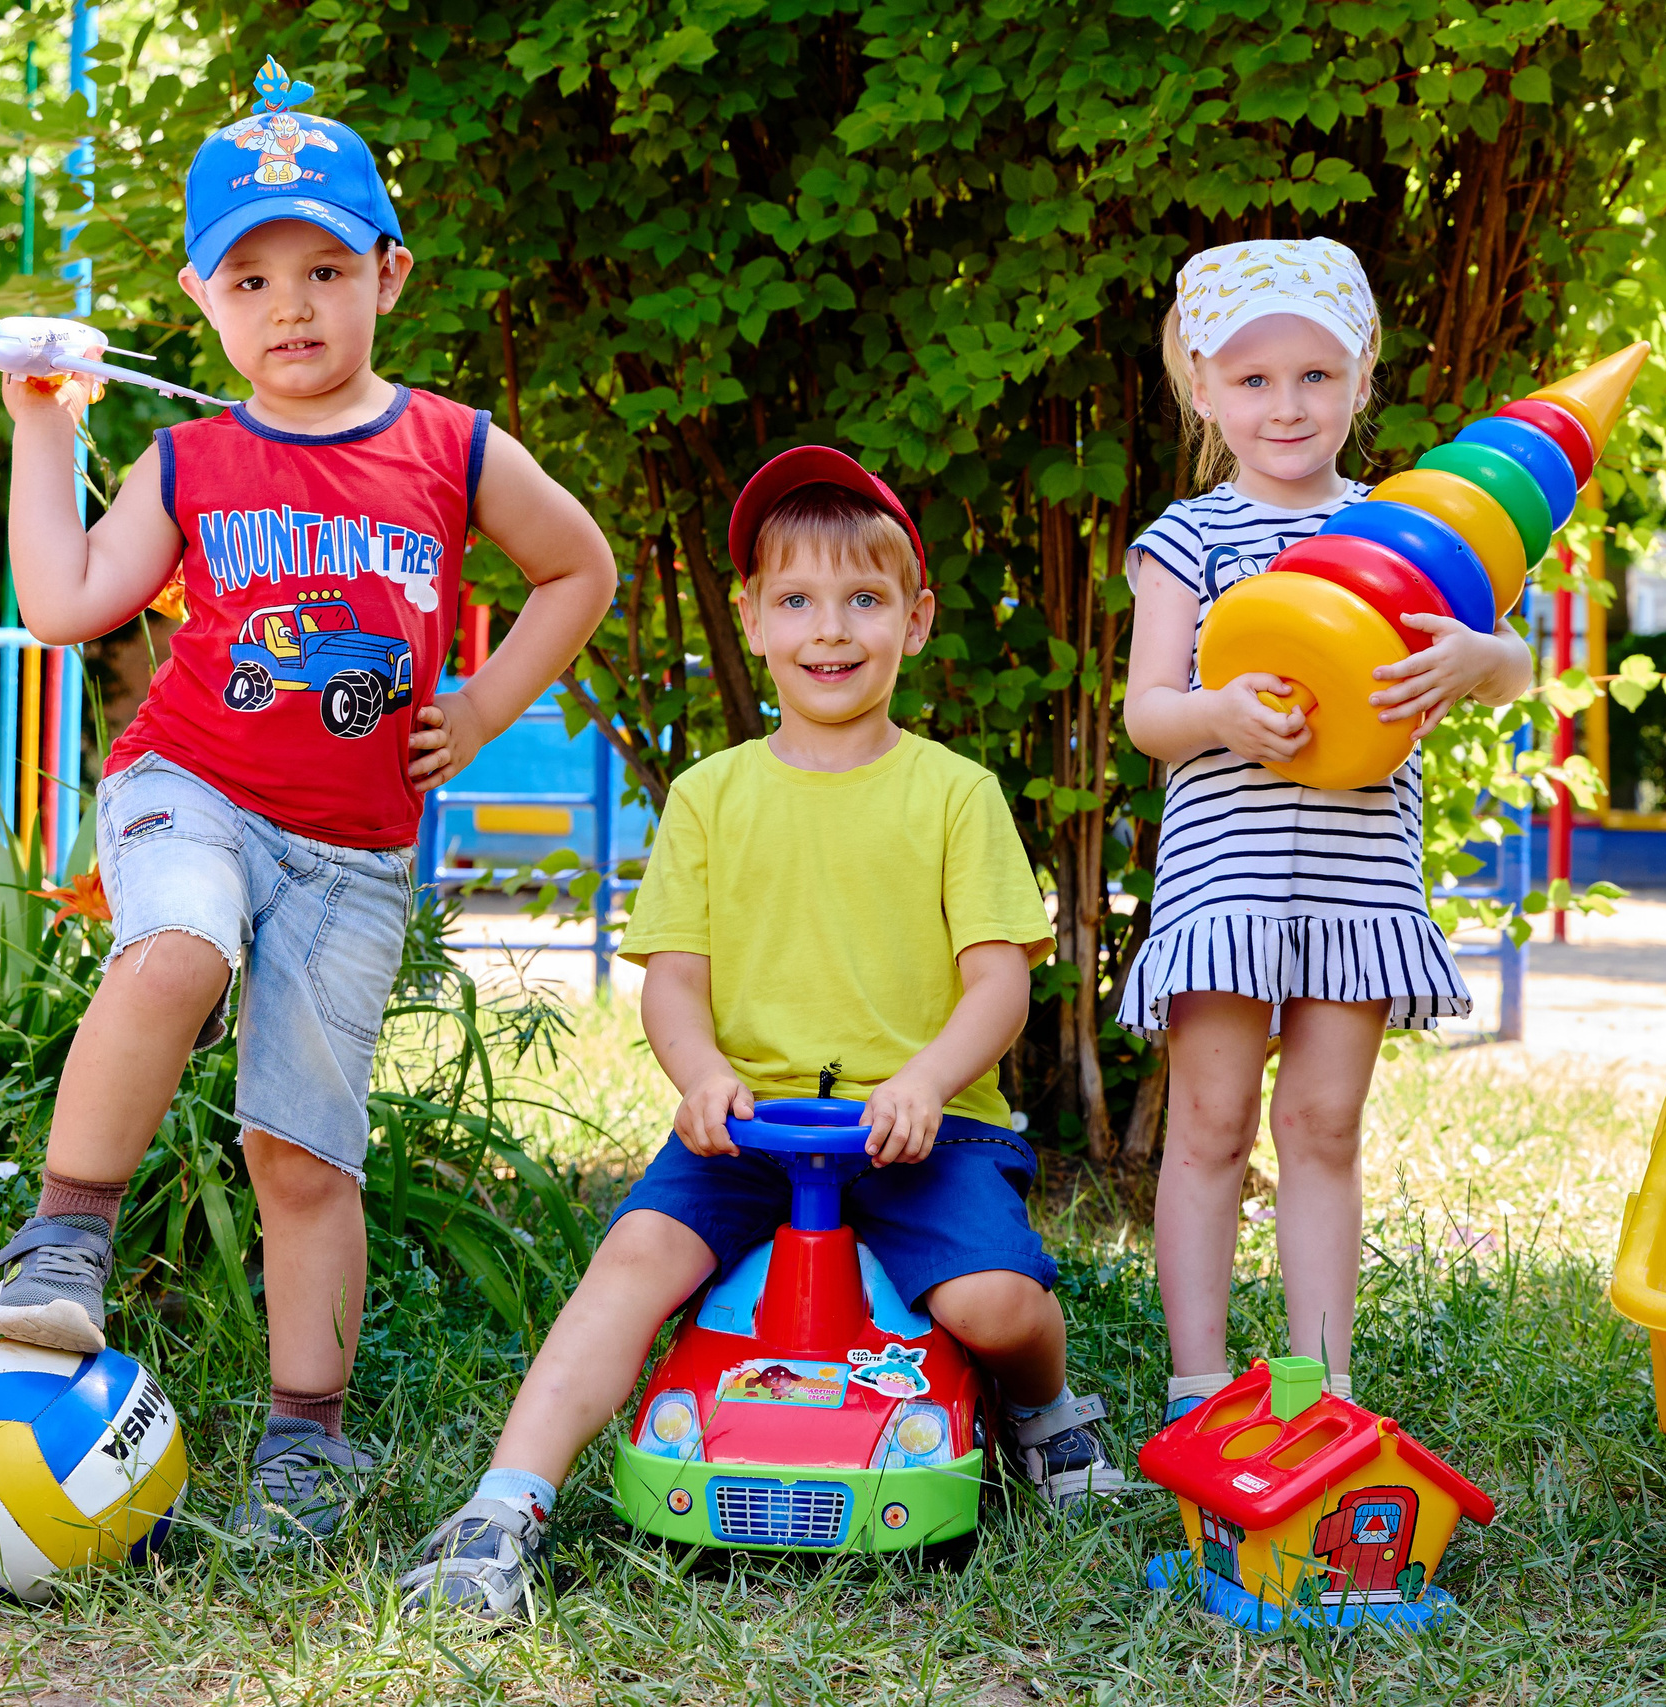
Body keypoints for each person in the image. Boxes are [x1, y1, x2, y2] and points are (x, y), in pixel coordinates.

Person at [0, 60, 616, 1543]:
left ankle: (306, 1445)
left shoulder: (450, 446)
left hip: (354, 851)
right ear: (204, 299)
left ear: (388, 272)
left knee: (303, 1150)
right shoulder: (192, 455)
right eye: (252, 275)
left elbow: (578, 566)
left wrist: (488, 699)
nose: (292, 305)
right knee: (179, 946)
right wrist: (43, 425)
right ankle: (66, 1238)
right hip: (186, 782)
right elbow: (68, 603)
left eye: (326, 267)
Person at [398, 447, 1126, 1620]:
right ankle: (502, 1508)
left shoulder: (952, 793)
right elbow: (674, 984)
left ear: (916, 620)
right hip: (749, 1127)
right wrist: (700, 1077)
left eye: (863, 601)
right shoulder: (711, 795)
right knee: (630, 1262)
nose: (827, 631)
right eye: (794, 601)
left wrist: (929, 1080)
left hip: (927, 1129)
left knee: (992, 1303)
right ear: (748, 621)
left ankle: (1041, 1415)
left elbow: (997, 985)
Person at [1117, 238, 1535, 1426]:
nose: (1285, 404)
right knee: (1207, 1126)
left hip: (1357, 887)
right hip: (1227, 884)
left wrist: (1476, 657)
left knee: (1323, 1125)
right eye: (1252, 381)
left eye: (1314, 374)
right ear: (1202, 390)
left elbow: (1508, 662)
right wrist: (1220, 712)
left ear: (1361, 379)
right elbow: (1149, 713)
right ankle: (1198, 1388)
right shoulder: (1188, 537)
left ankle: (1317, 1391)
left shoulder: (1405, 530)